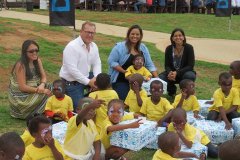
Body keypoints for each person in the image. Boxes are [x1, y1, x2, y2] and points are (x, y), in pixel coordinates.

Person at [108, 24, 157, 101]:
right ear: (128, 35)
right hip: (122, 79)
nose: (135, 36)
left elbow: (149, 64)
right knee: (124, 98)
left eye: (137, 34)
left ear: (140, 36)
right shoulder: (119, 47)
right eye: (132, 34)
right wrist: (125, 72)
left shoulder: (143, 48)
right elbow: (112, 62)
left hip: (141, 80)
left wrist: (157, 79)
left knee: (147, 97)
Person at [60, 21, 101, 111]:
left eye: (92, 33)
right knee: (81, 109)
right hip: (72, 83)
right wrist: (89, 82)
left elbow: (97, 63)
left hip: (86, 77)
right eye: (88, 32)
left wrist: (96, 77)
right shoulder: (72, 47)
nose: (90, 35)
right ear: (81, 32)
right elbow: (72, 70)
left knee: (105, 82)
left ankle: (91, 98)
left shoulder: (94, 46)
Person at [8, 39, 51, 119]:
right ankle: (36, 112)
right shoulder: (21, 65)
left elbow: (44, 77)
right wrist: (40, 90)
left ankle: (44, 111)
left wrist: (42, 85)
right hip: (21, 98)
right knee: (48, 94)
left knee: (54, 87)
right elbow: (23, 87)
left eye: (36, 50)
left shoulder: (37, 60)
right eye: (31, 51)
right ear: (25, 52)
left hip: (36, 89)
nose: (34, 53)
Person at [159, 28, 196, 97]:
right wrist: (170, 72)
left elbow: (190, 66)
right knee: (161, 78)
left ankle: (186, 94)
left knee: (190, 76)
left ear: (183, 37)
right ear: (172, 38)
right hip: (172, 74)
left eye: (180, 35)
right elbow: (167, 65)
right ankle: (172, 91)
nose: (178, 37)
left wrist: (177, 73)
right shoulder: (169, 48)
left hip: (184, 73)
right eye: (175, 36)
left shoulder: (189, 48)